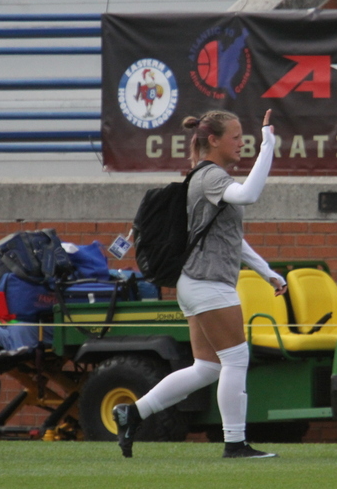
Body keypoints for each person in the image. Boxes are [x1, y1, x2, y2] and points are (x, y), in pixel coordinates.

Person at [112, 109, 285, 459]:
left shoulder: (205, 177)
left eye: (244, 137)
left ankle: (132, 412)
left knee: (208, 367)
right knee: (236, 361)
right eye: (235, 137)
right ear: (214, 141)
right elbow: (250, 194)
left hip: (196, 283)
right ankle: (235, 444)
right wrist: (268, 146)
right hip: (208, 283)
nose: (242, 143)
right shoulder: (210, 177)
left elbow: (230, 238)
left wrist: (266, 271)